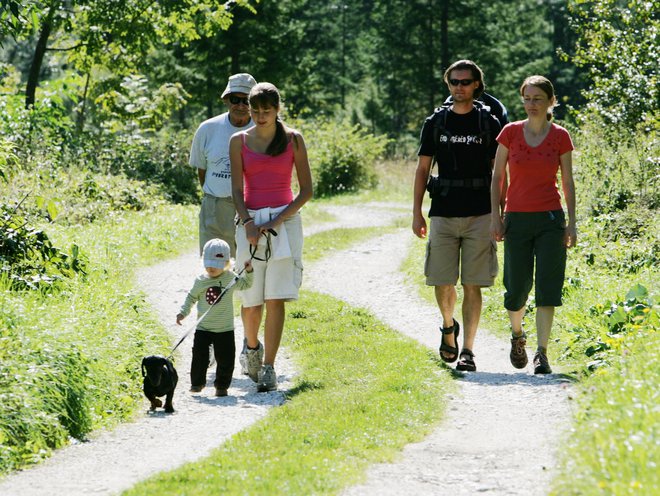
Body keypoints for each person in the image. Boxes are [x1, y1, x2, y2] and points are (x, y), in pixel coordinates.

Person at [412, 60, 502, 372]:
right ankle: (448, 326)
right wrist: (416, 214)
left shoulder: (489, 123)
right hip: (443, 212)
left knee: (473, 284)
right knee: (442, 281)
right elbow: (423, 169)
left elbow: (499, 172)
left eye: (465, 82)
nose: (459, 87)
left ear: (477, 84)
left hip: (480, 213)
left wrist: (499, 215)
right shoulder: (436, 122)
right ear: (448, 84)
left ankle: (468, 351)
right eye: (454, 82)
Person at [229, 82, 313, 392]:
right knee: (251, 298)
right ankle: (252, 348)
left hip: (285, 222)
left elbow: (306, 191)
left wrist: (279, 218)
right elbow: (236, 190)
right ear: (248, 110)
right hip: (249, 222)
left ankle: (269, 367)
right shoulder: (238, 142)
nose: (261, 116)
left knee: (276, 296)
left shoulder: (293, 140)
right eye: (256, 111)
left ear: (278, 110)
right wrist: (249, 222)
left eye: (267, 111)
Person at [490, 75, 576, 375]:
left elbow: (567, 181)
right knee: (516, 288)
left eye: (537, 98)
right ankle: (517, 335)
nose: (531, 104)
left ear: (551, 101)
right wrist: (496, 216)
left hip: (551, 219)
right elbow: (498, 177)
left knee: (548, 288)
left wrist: (572, 223)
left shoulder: (560, 136)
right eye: (527, 98)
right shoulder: (510, 133)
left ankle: (541, 353)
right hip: (516, 219)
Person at [189, 73, 258, 257]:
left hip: (251, 208)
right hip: (215, 206)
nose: (241, 105)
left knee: (247, 264)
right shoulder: (207, 128)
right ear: (226, 99)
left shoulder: (264, 130)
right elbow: (202, 170)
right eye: (235, 99)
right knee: (213, 264)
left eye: (247, 100)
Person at [176, 238, 254, 396]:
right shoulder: (201, 281)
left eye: (217, 265)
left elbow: (246, 285)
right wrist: (183, 312)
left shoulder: (230, 278)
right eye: (208, 263)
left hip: (225, 328)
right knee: (199, 357)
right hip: (203, 327)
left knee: (226, 359)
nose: (211, 268)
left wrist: (249, 271)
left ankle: (222, 386)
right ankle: (197, 383)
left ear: (226, 263)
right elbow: (191, 297)